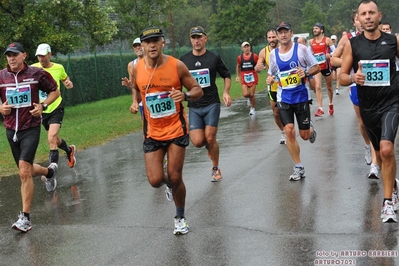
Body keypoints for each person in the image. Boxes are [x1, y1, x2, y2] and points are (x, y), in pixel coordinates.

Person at [130, 27, 203, 235]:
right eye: (147, 42)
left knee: (174, 174)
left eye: (156, 41)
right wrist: (134, 102)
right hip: (152, 131)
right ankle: (169, 185)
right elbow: (136, 87)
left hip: (176, 128)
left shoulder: (176, 65)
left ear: (163, 43)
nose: (152, 45)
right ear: (141, 46)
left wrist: (186, 96)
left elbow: (197, 89)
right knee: (155, 180)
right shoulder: (137, 68)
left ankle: (180, 216)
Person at [340, 0, 399, 223]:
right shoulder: (352, 44)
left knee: (386, 150)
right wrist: (353, 77)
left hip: (392, 102)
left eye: (371, 12)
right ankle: (392, 184)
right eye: (363, 13)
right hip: (369, 108)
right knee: (381, 155)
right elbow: (342, 77)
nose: (367, 16)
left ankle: (387, 204)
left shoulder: (393, 41)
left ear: (379, 16)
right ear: (359, 18)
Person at [0, 42, 60, 232]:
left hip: (30, 128)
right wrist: (0, 108)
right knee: (24, 170)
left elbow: (55, 90)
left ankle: (24, 218)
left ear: (24, 55)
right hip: (11, 129)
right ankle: (49, 173)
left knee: (24, 172)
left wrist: (42, 106)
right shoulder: (1, 76)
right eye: (9, 55)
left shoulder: (36, 74)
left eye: (15, 54)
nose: (12, 58)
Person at [267, 22, 320, 181]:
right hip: (284, 98)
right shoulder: (273, 54)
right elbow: (272, 74)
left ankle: (310, 129)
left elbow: (316, 67)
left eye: (286, 32)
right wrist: (270, 79)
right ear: (277, 36)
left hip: (301, 96)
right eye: (280, 32)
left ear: (291, 33)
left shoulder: (302, 49)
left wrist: (305, 72)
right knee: (289, 131)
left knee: (304, 136)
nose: (283, 35)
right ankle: (298, 167)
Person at [331, 9, 379, 179]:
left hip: (376, 85)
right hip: (356, 84)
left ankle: (374, 165)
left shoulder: (376, 36)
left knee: (375, 123)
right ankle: (368, 145)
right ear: (355, 22)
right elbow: (333, 59)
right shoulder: (348, 39)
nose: (361, 21)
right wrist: (349, 60)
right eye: (358, 19)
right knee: (363, 122)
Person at [180, 26, 232, 182]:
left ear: (205, 38)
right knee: (197, 142)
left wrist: (226, 92)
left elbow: (227, 75)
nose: (197, 40)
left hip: (211, 103)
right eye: (194, 38)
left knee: (210, 138)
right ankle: (210, 148)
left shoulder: (214, 57)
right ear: (191, 40)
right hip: (194, 106)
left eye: (199, 37)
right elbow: (177, 80)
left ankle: (215, 168)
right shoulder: (184, 60)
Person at [32, 44, 76, 181]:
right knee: (55, 139)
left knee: (51, 138)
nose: (41, 59)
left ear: (49, 54)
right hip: (42, 110)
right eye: (39, 56)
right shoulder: (32, 69)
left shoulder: (58, 68)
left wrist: (68, 83)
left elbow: (65, 79)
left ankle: (51, 171)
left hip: (56, 106)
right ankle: (69, 150)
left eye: (43, 56)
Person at [255, 29, 286, 144]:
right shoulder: (264, 51)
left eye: (274, 37)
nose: (272, 40)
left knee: (288, 109)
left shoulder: (284, 48)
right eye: (269, 37)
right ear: (267, 39)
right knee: (276, 113)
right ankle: (283, 131)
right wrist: (257, 68)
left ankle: (290, 128)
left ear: (277, 37)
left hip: (287, 85)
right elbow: (258, 65)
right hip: (273, 86)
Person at [309, 23, 336, 116]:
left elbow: (335, 51)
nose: (314, 30)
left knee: (329, 87)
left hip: (326, 66)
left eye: (316, 28)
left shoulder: (327, 40)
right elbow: (308, 54)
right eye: (313, 28)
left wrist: (330, 55)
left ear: (321, 30)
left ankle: (330, 103)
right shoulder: (311, 41)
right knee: (318, 87)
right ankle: (320, 108)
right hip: (317, 67)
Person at [122, 37, 145, 117]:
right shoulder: (131, 65)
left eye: (140, 45)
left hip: (155, 99)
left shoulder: (153, 61)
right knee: (146, 128)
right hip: (143, 103)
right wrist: (129, 85)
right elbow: (134, 87)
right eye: (135, 46)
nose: (138, 47)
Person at [236, 41, 258, 115]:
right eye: (245, 47)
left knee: (252, 94)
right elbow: (238, 66)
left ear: (250, 47)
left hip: (253, 76)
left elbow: (258, 64)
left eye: (247, 46)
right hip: (244, 76)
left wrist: (259, 68)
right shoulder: (240, 57)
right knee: (245, 94)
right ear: (242, 49)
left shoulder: (254, 56)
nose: (246, 48)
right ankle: (249, 99)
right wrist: (237, 76)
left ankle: (252, 108)